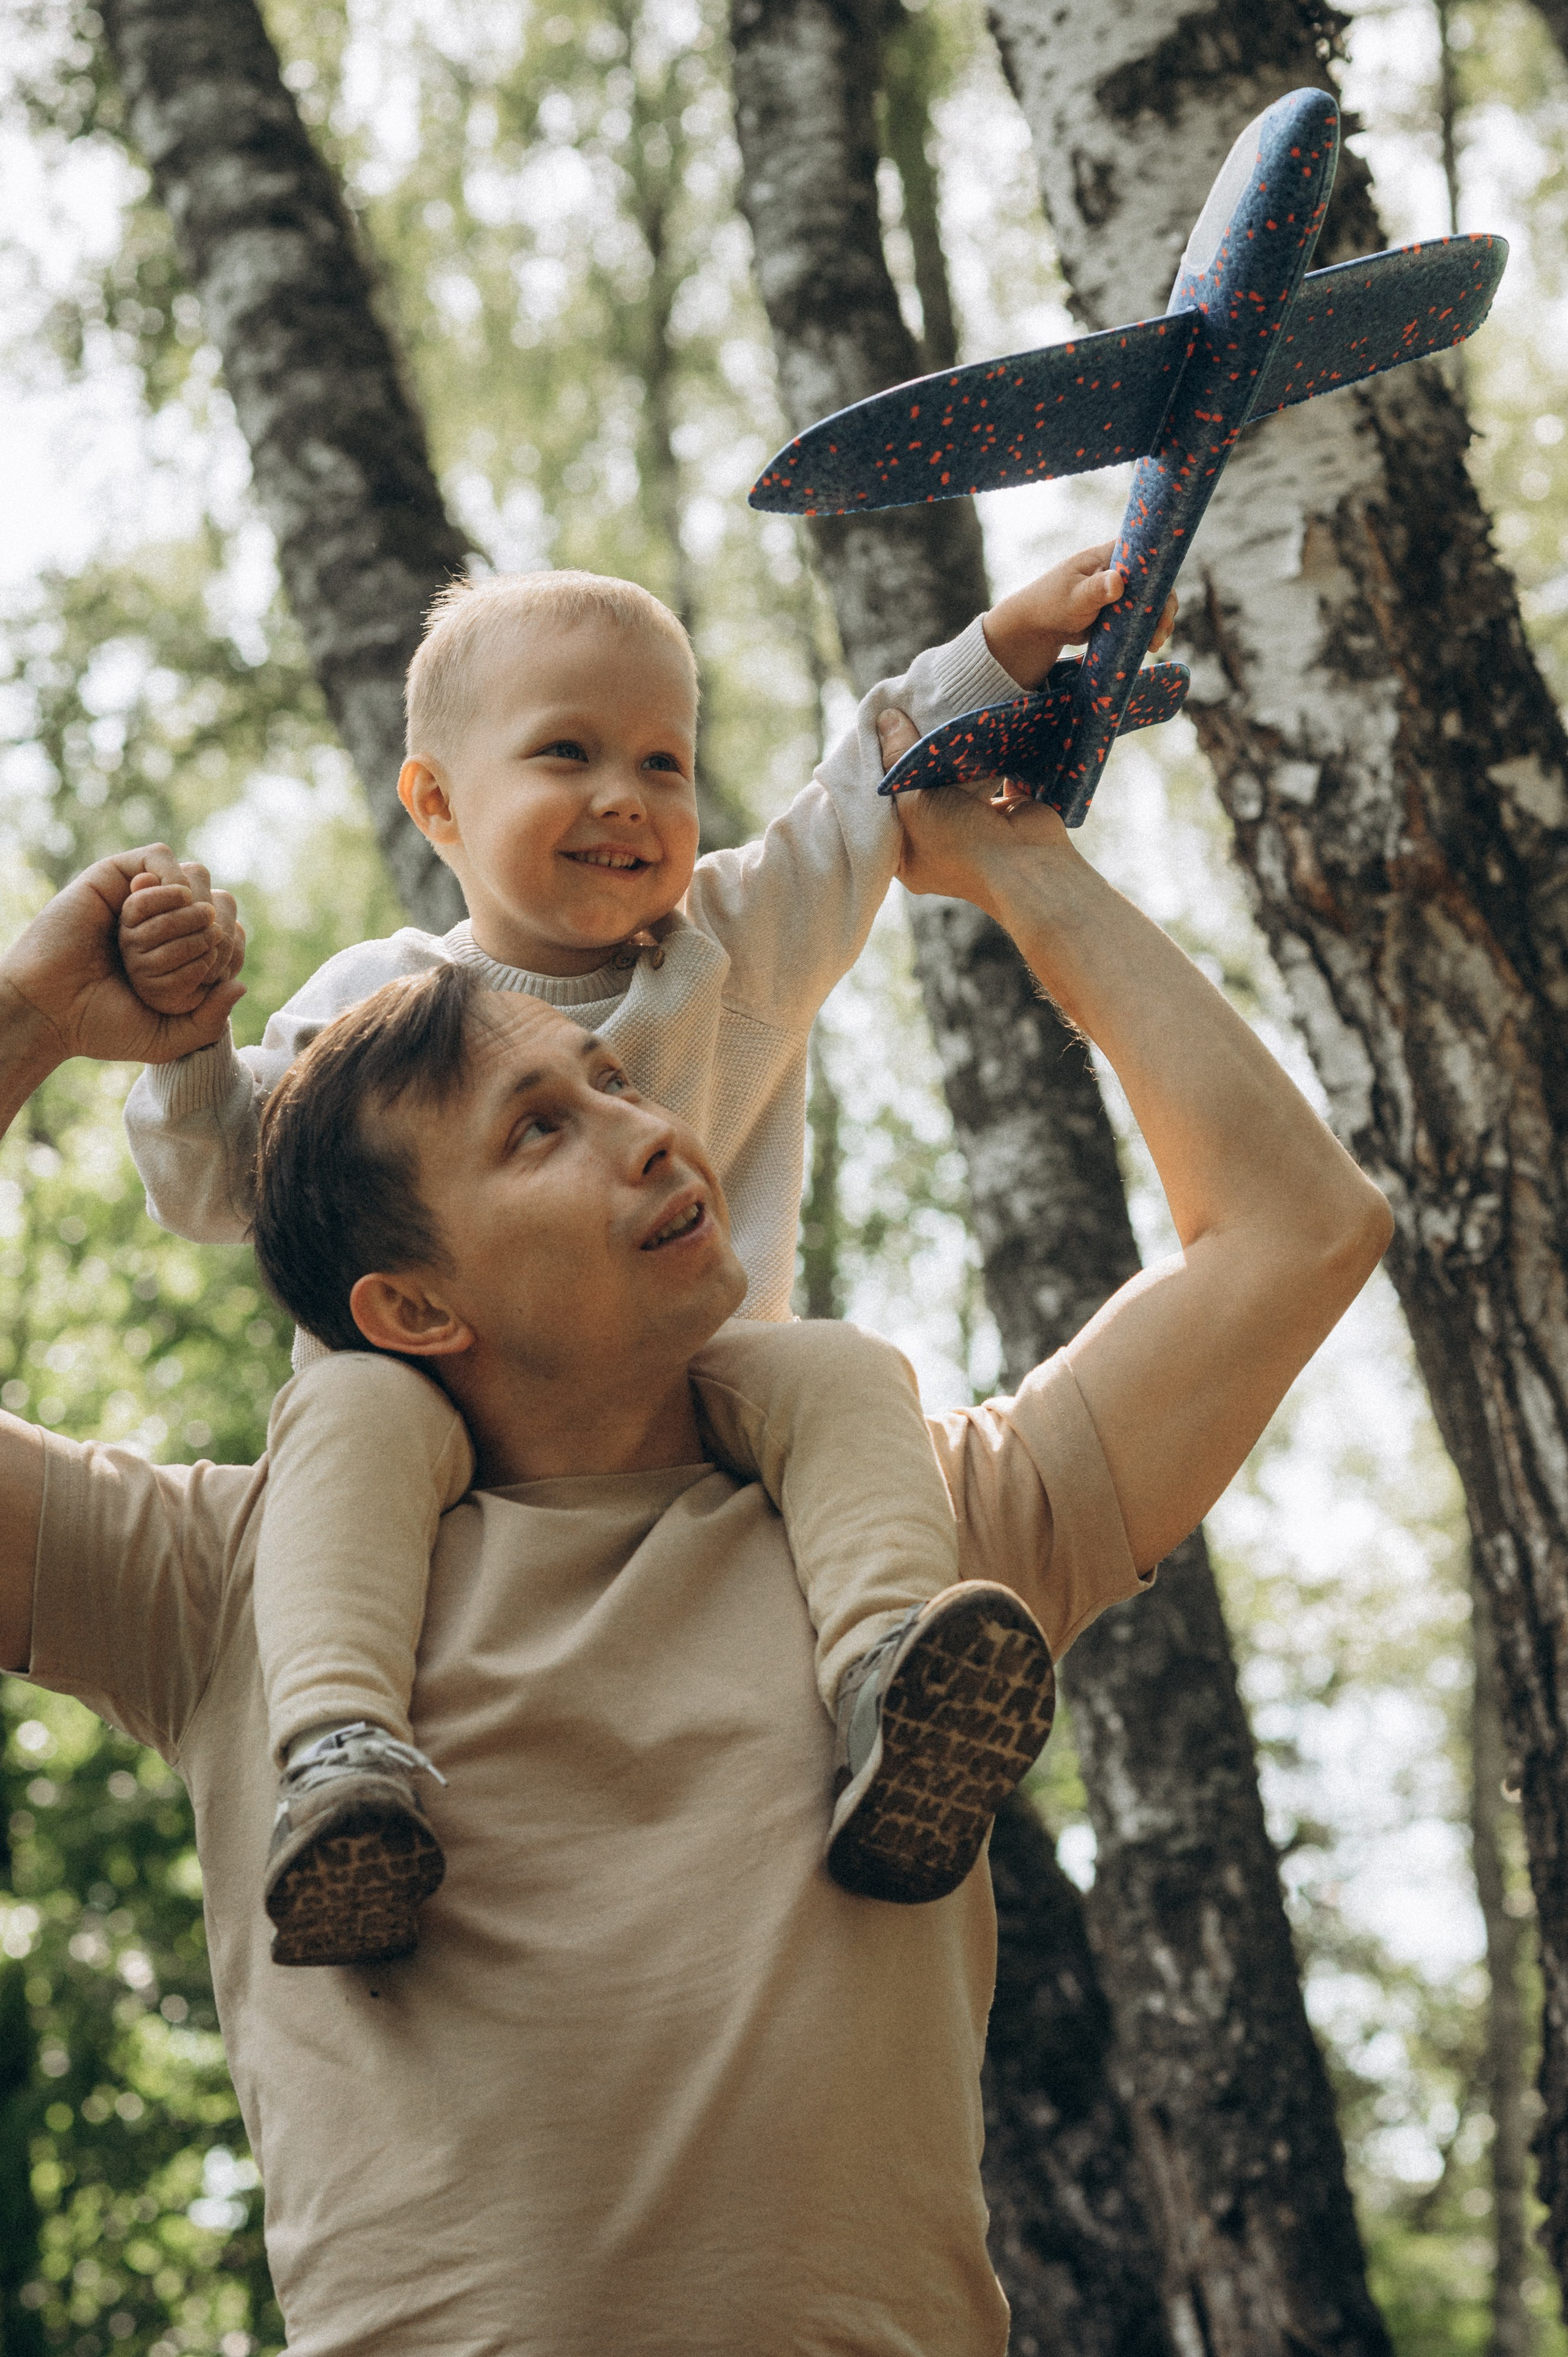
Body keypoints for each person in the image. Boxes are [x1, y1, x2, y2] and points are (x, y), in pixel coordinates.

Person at [0, 743, 1390, 2353]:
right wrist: (31, 1019)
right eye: (538, 1129)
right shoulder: (230, 1586)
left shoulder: (911, 1543)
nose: (651, 1135)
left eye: (619, 1086)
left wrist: (1010, 858)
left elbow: (1303, 1231)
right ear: (414, 1308)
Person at [110, 551, 1169, 1963]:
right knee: (343, 1411)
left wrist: (1001, 648)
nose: (627, 794)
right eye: (568, 751)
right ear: (436, 800)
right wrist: (184, 1040)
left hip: (689, 1403)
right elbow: (218, 1184)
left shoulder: (731, 944)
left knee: (837, 1366)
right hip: (434, 1405)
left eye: (664, 761)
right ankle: (341, 1756)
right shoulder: (377, 1011)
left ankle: (885, 1675)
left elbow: (864, 791)